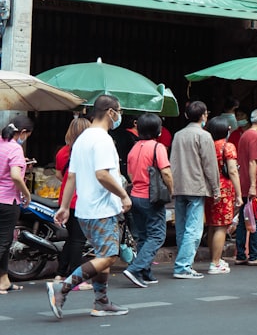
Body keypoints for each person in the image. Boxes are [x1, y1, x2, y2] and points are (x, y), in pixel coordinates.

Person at [46, 96, 131, 318]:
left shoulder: (82, 139)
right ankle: (62, 287)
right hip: (101, 209)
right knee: (110, 255)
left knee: (103, 255)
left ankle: (101, 301)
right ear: (111, 112)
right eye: (119, 111)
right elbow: (102, 174)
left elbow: (71, 176)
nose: (119, 116)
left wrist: (64, 206)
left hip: (84, 209)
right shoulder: (102, 139)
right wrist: (123, 195)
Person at [170, 100, 221, 279]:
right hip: (197, 186)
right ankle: (183, 266)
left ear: (186, 115)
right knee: (194, 228)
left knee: (182, 228)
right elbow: (210, 165)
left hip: (179, 186)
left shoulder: (178, 135)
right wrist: (216, 189)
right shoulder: (204, 136)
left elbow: (173, 162)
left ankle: (183, 263)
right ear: (204, 115)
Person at [122, 113, 173, 287]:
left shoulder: (134, 147)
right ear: (157, 130)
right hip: (151, 198)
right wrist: (171, 191)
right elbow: (166, 172)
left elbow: (129, 173)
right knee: (157, 235)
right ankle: (135, 268)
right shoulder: (157, 147)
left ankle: (145, 272)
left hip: (135, 195)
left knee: (143, 235)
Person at [54, 116, 92, 283]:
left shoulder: (63, 152)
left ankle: (60, 273)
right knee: (78, 240)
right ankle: (76, 279)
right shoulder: (88, 152)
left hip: (65, 199)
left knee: (71, 238)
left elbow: (59, 175)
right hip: (81, 199)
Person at [0, 116, 33, 294]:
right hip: (7, 200)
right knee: (3, 243)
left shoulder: (1, 143)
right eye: (27, 135)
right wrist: (26, 194)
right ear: (22, 133)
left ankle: (4, 280)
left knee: (4, 243)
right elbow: (14, 175)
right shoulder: (15, 148)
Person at [205, 117, 241, 274]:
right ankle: (215, 263)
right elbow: (232, 170)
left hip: (209, 188)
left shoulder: (207, 145)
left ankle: (215, 258)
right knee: (222, 226)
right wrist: (239, 194)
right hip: (224, 188)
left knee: (213, 224)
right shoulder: (228, 146)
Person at [236, 108, 257, 266]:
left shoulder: (245, 135)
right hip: (254, 185)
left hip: (244, 183)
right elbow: (253, 162)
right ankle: (254, 255)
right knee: (256, 218)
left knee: (245, 219)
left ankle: (241, 254)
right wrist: (254, 186)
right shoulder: (255, 137)